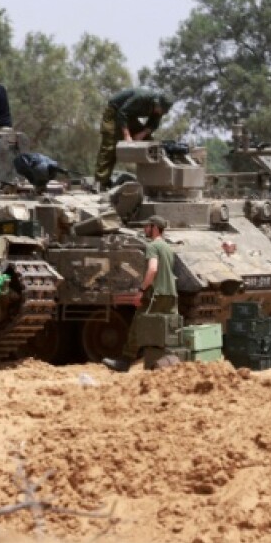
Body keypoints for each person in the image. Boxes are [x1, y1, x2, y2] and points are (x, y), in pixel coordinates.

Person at [103, 215, 179, 372]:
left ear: (155, 228)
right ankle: (172, 359)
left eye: (147, 226)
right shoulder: (168, 248)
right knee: (171, 327)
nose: (145, 229)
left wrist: (142, 290)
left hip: (155, 294)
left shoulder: (153, 246)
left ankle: (125, 361)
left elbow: (153, 269)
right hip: (171, 293)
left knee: (138, 325)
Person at [94, 87, 172, 189]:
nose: (159, 113)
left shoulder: (160, 109)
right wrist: (127, 136)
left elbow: (153, 124)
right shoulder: (142, 98)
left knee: (150, 145)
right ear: (157, 103)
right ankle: (101, 182)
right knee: (110, 145)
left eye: (162, 112)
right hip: (115, 112)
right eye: (160, 109)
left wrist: (142, 134)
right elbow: (122, 113)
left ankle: (151, 181)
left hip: (129, 116)